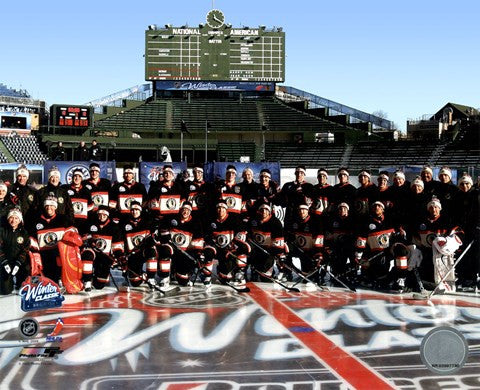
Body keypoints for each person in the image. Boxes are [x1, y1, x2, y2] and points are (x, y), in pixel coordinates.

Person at [29, 196, 75, 284]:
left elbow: (72, 232)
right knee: (46, 278)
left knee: (55, 275)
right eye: (47, 205)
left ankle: (63, 278)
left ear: (55, 207)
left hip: (59, 253)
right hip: (43, 254)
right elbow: (32, 238)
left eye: (51, 205)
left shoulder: (63, 219)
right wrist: (36, 254)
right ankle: (36, 283)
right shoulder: (36, 220)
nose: (49, 208)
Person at [204, 199, 250, 286]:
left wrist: (231, 246)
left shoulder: (234, 219)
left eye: (223, 208)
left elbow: (242, 233)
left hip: (230, 249)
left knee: (243, 247)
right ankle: (207, 276)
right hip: (218, 249)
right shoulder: (211, 221)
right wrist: (212, 243)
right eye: (219, 208)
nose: (221, 210)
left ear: (226, 209)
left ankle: (240, 274)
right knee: (208, 252)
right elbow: (207, 236)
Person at [81, 205, 124, 291]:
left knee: (99, 285)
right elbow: (83, 237)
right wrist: (87, 240)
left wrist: (119, 257)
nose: (101, 217)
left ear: (107, 215)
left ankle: (95, 278)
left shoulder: (114, 227)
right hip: (92, 251)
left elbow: (116, 246)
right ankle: (87, 281)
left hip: (105, 255)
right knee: (87, 255)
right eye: (100, 215)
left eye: (104, 215)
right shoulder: (91, 223)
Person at [285, 203, 324, 283]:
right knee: (284, 254)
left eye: (304, 210)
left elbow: (319, 240)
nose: (302, 212)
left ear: (308, 211)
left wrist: (318, 254)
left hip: (310, 251)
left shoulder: (314, 223)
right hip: (298, 249)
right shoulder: (294, 222)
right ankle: (288, 273)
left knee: (309, 275)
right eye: (300, 210)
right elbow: (289, 236)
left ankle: (313, 276)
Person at [247, 202, 286, 281]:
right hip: (256, 248)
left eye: (266, 210)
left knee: (265, 278)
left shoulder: (275, 222)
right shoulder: (253, 220)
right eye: (262, 210)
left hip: (269, 250)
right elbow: (247, 234)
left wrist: (275, 253)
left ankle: (278, 271)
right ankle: (247, 270)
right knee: (246, 249)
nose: (264, 212)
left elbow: (278, 242)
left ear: (270, 211)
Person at [120, 201, 155, 287]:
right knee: (135, 283)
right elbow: (121, 240)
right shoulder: (124, 223)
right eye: (132, 210)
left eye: (136, 210)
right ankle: (142, 275)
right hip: (132, 253)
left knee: (151, 252)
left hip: (143, 251)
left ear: (140, 211)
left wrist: (148, 244)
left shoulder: (146, 222)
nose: (134, 212)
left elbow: (151, 239)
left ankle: (151, 277)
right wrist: (122, 255)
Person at [0, 208, 30, 294]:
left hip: (20, 263)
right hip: (6, 262)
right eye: (11, 218)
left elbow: (25, 250)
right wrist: (5, 263)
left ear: (20, 220)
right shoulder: (2, 231)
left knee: (24, 288)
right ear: (8, 219)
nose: (13, 220)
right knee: (5, 291)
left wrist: (18, 264)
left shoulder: (24, 233)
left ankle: (19, 282)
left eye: (16, 218)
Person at [62, 169, 92, 233]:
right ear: (72, 177)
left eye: (79, 176)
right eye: (75, 176)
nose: (77, 178)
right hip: (69, 223)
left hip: (83, 224)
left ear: (82, 178)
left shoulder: (86, 191)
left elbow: (89, 209)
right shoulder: (65, 189)